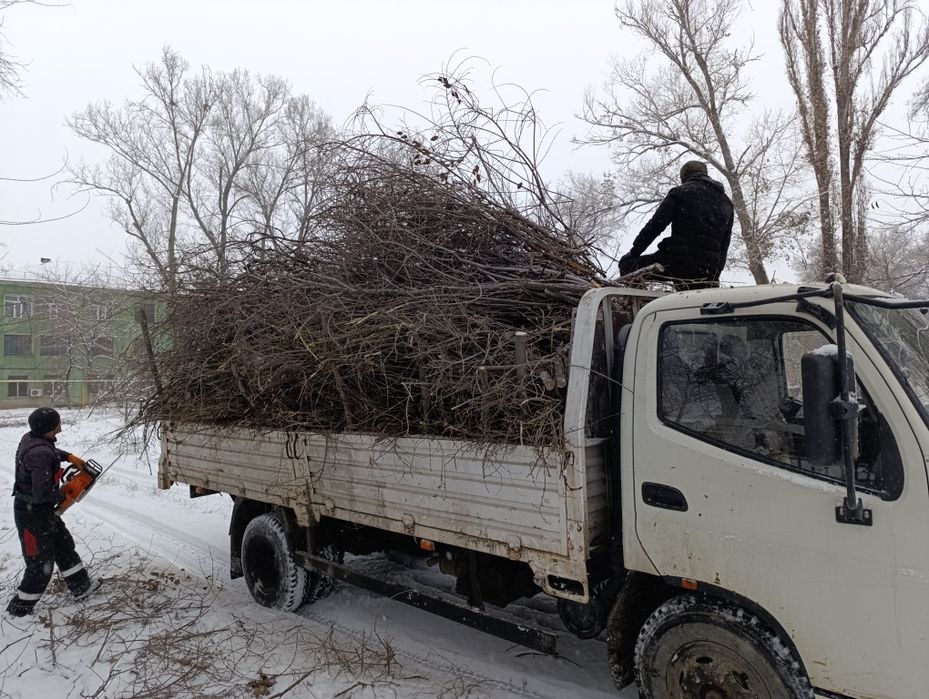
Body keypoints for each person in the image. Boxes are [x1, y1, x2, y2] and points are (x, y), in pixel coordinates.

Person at [6, 408, 101, 617]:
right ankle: (19, 610)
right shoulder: (40, 453)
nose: (60, 424)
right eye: (58, 422)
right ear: (50, 427)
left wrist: (68, 456)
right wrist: (66, 492)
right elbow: (42, 492)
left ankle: (81, 586)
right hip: (33, 514)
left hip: (41, 511)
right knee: (40, 564)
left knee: (64, 546)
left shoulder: (33, 438)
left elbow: (48, 451)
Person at [618, 160, 734, 290]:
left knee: (626, 265)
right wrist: (714, 275)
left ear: (684, 177)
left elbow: (655, 226)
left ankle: (640, 301)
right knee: (694, 298)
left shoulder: (680, 192)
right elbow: (725, 245)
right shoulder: (727, 203)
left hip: (677, 261)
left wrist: (635, 252)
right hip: (708, 269)